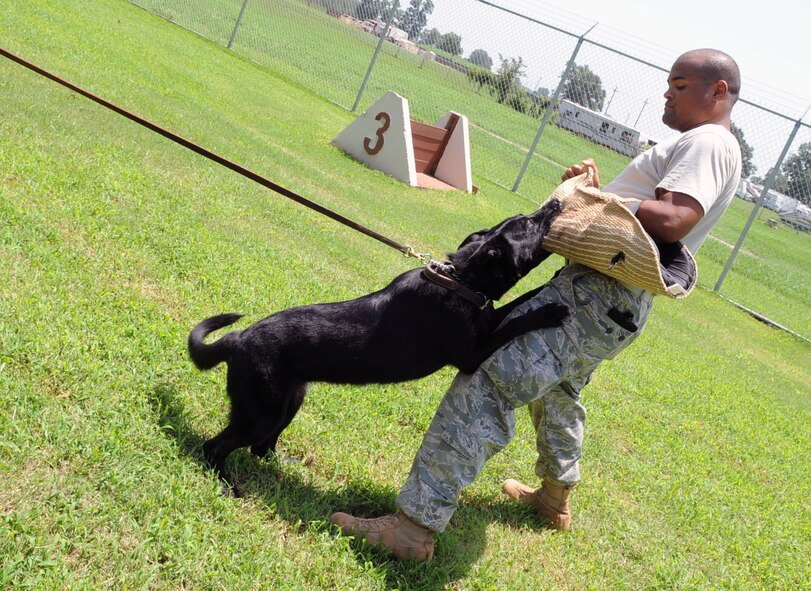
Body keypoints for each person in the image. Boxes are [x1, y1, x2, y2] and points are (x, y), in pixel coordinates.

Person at [329, 48, 743, 562]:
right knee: (559, 389)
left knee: (490, 382)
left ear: (717, 91)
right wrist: (598, 190)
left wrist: (598, 202)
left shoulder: (707, 141)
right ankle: (553, 498)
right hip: (617, 305)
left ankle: (412, 531)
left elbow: (675, 217)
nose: (667, 93)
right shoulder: (709, 144)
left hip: (597, 294)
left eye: (679, 85)